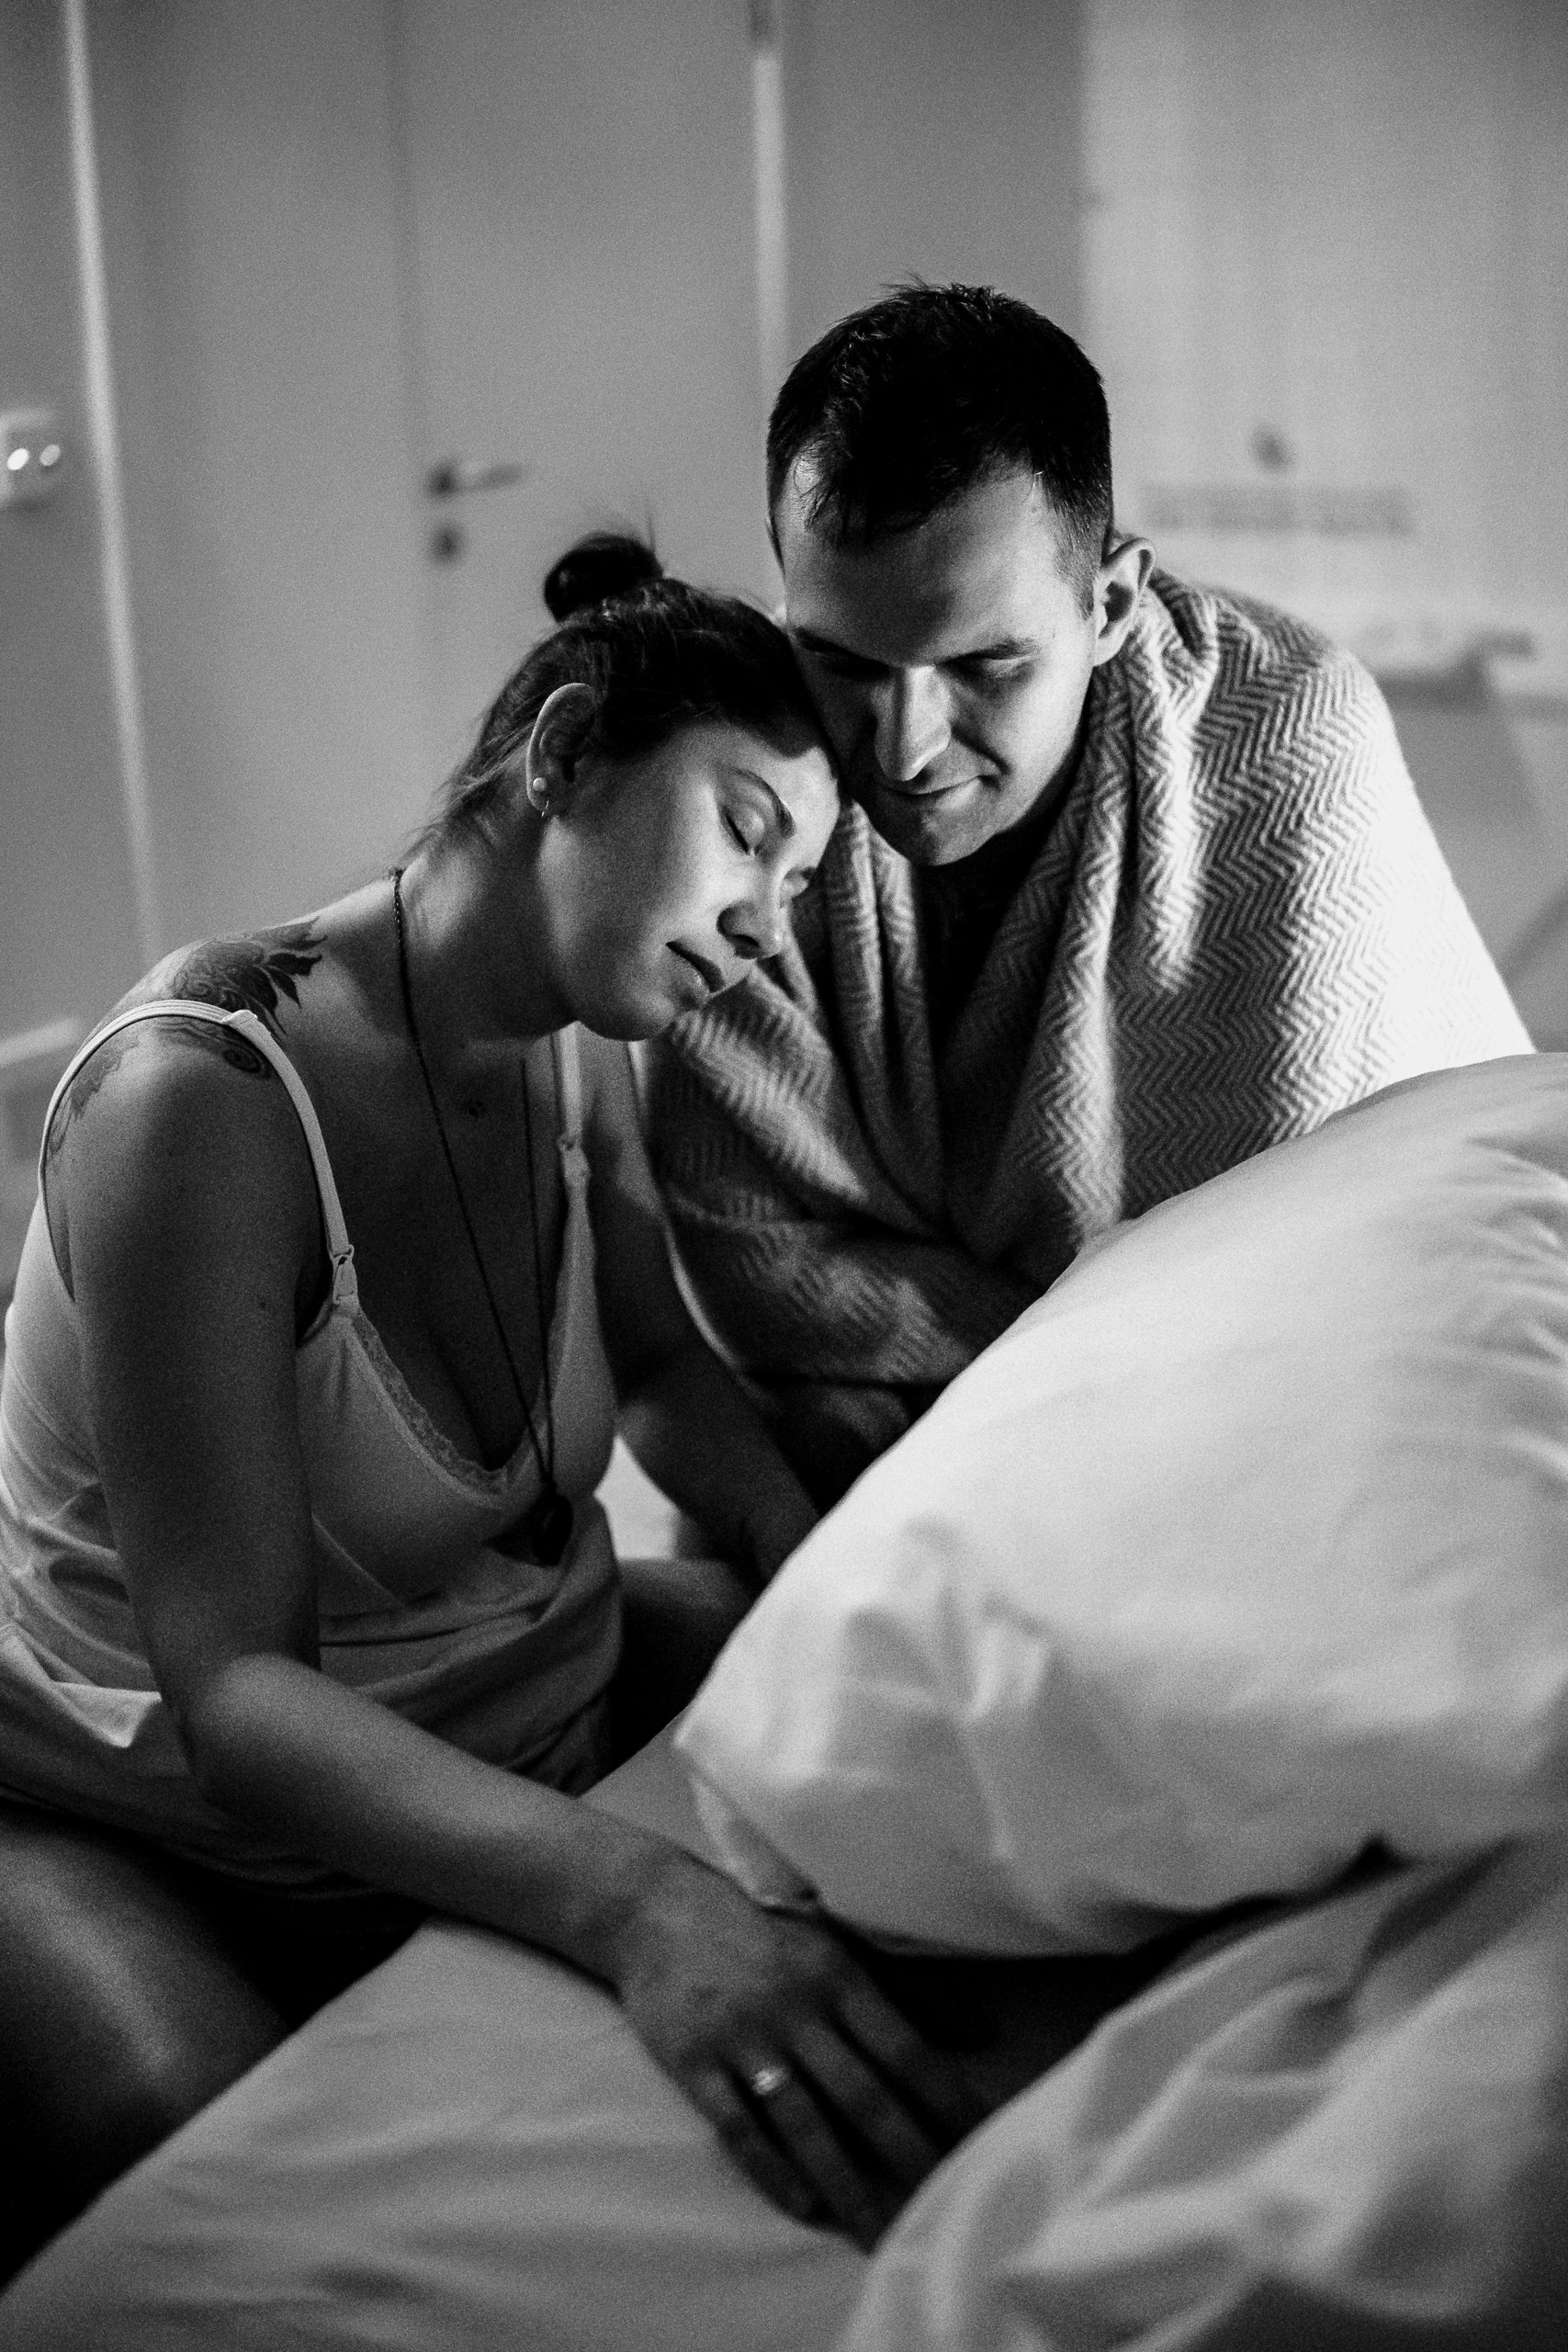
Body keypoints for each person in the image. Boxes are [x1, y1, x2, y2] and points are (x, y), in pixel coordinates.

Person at [0, 537, 981, 2275]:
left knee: (939, 1770)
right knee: (235, 2188)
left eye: (799, 881)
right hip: (155, 1806)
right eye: (747, 831)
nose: (764, 928)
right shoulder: (200, 1102)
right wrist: (642, 1903)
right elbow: (238, 1698)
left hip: (509, 1685)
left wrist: (805, 1547)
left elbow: (661, 1371)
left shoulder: (576, 1044)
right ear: (564, 754)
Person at [644, 286, 1532, 1504]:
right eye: (842, 661)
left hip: (1313, 1388)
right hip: (978, 1411)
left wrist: (938, 1352)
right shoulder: (752, 772)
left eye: (984, 664)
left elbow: (1304, 1269)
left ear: (1110, 604)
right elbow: (754, 1262)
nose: (903, 748)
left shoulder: (1282, 738)